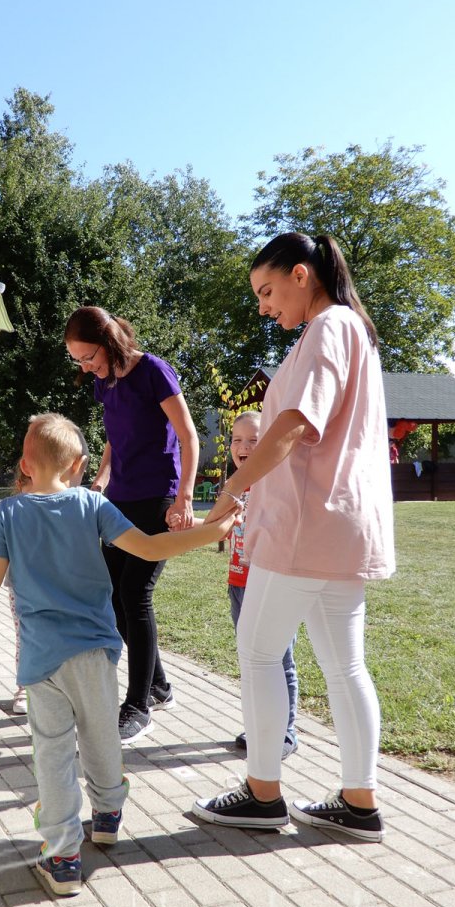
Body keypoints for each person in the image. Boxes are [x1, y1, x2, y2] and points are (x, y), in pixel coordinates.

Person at [0, 413, 234, 895]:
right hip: (98, 652)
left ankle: (62, 857)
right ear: (80, 465)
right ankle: (107, 815)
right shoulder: (93, 505)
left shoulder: (10, 514)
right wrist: (212, 532)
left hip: (42, 660)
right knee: (102, 735)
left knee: (54, 753)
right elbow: (148, 548)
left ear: (24, 463)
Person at [192, 232, 395, 842]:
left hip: (305, 526)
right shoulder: (351, 330)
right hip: (341, 530)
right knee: (345, 668)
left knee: (258, 654)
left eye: (268, 290)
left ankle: (262, 795)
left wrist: (230, 491)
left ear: (302, 275)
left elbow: (292, 426)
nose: (263, 306)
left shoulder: (328, 328)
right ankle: (359, 804)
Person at [64, 307, 200, 745]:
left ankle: (138, 706)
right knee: (113, 591)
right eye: (79, 361)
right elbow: (113, 435)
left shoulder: (153, 371)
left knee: (134, 593)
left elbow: (188, 435)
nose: (86, 367)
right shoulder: (105, 382)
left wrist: (185, 498)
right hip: (120, 497)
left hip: (158, 496)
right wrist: (102, 476)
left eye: (88, 356)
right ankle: (158, 686)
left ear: (109, 341)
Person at [226, 411, 298, 759]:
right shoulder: (237, 486)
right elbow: (220, 527)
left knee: (279, 659)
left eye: (254, 439)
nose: (243, 446)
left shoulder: (276, 483)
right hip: (239, 583)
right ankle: (261, 724)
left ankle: (285, 732)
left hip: (271, 583)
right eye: (237, 440)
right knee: (251, 658)